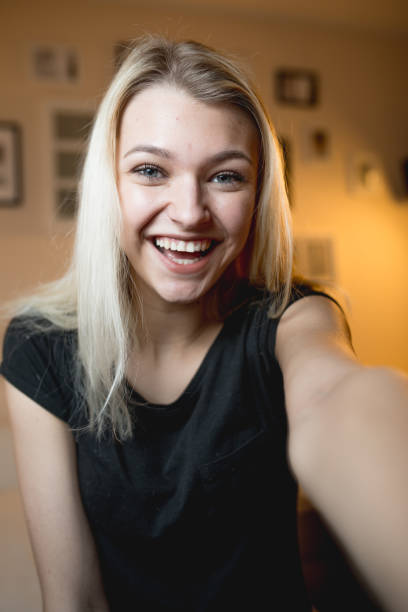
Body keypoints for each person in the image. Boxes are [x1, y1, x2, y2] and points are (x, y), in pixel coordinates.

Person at [1, 36, 408, 612]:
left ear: (259, 193)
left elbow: (332, 395)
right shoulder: (38, 347)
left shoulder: (291, 317)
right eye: (150, 170)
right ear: (108, 187)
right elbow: (73, 600)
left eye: (225, 177)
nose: (190, 212)